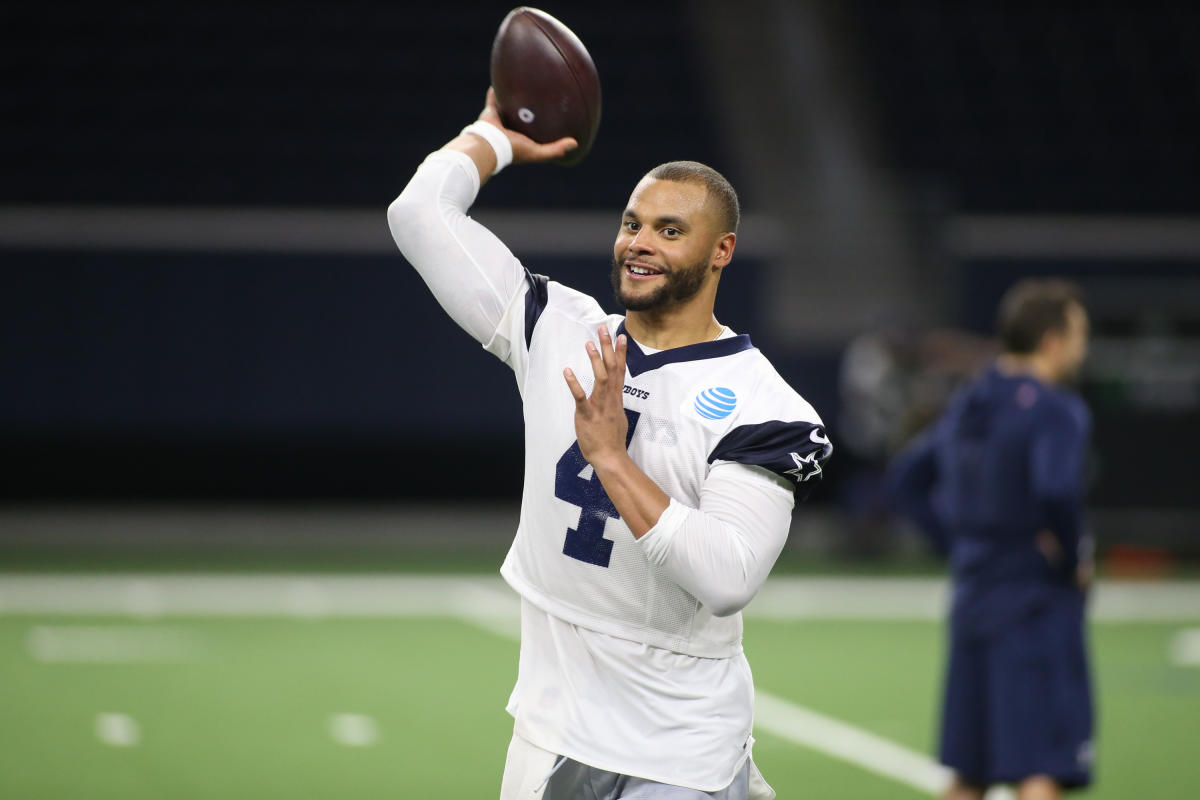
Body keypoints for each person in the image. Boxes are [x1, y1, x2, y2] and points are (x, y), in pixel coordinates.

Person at [387, 89, 831, 800]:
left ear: (722, 252)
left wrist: (614, 459)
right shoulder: (556, 326)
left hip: (681, 747)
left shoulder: (765, 405)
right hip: (550, 728)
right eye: (632, 223)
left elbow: (728, 578)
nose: (640, 242)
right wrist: (492, 136)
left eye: (668, 229)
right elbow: (417, 216)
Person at [887, 279, 1095, 800]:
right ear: (1052, 340)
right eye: (1079, 334)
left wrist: (955, 543)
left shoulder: (971, 400)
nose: (1082, 348)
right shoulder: (1056, 409)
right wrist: (1072, 557)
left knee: (969, 769)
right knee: (1041, 761)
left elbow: (908, 478)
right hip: (1034, 598)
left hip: (973, 592)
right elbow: (1056, 487)